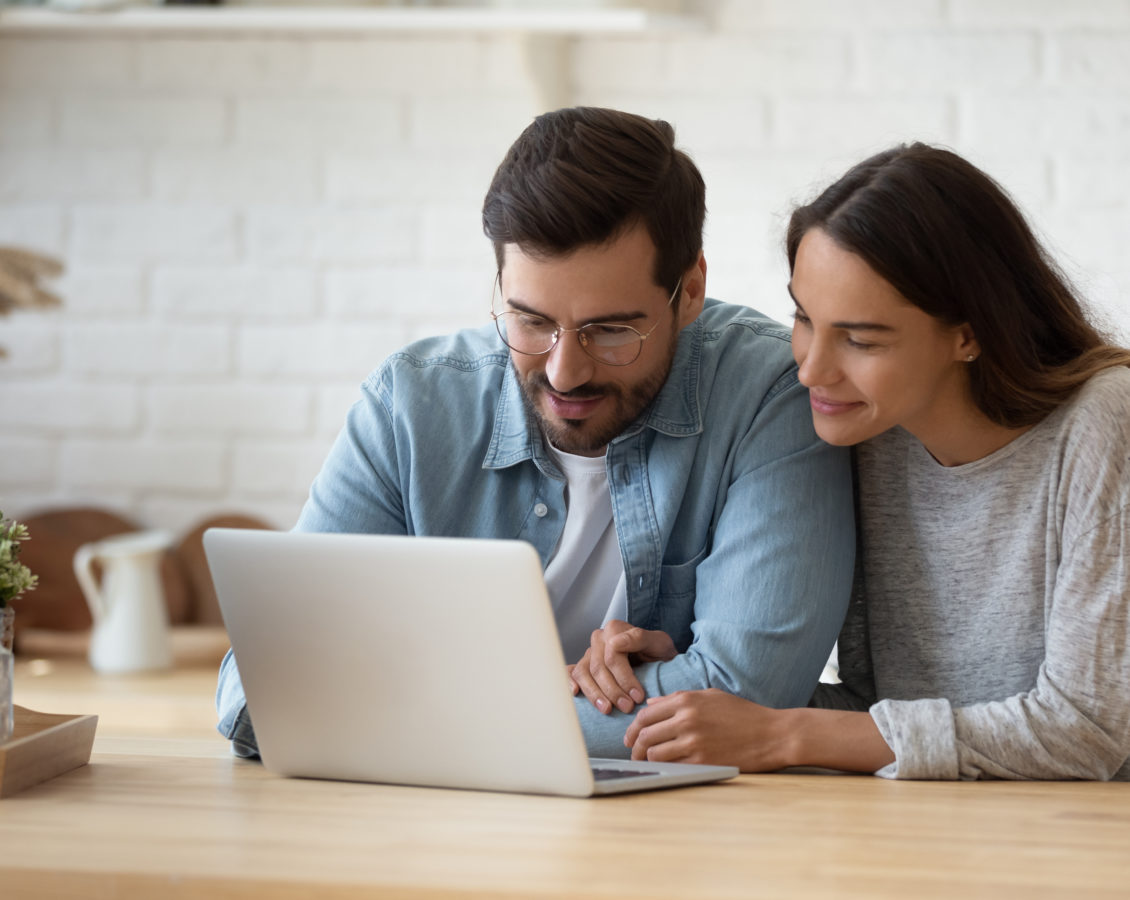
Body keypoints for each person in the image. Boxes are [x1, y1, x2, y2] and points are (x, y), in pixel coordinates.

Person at [215, 107, 855, 759]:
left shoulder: (770, 393)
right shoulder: (410, 404)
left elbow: (749, 695)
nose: (565, 371)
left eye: (610, 331)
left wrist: (406, 711)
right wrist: (547, 699)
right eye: (529, 321)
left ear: (689, 291)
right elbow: (260, 691)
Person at [625, 143, 1130, 780]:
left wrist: (785, 734)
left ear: (969, 333)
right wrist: (700, 684)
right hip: (934, 832)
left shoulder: (1106, 422)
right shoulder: (871, 434)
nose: (809, 369)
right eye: (804, 319)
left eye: (860, 339)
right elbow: (882, 717)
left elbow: (1085, 732)